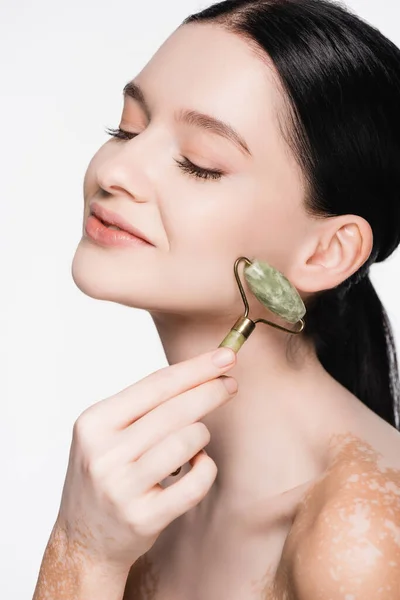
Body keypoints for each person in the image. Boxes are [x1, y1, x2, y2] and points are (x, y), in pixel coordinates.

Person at [33, 0, 400, 599]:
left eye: (198, 164)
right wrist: (89, 547)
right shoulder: (144, 500)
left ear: (327, 252)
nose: (118, 168)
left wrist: (80, 553)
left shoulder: (362, 541)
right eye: (125, 127)